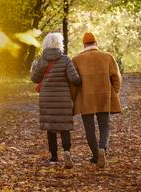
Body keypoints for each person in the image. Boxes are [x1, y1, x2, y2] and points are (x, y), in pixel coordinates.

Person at [71, 32, 122, 168]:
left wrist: (73, 97)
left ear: (84, 44)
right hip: (104, 96)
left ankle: (95, 155)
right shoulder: (107, 57)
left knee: (89, 129)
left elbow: (73, 82)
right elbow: (116, 77)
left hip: (85, 98)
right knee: (104, 125)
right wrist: (114, 92)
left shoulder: (76, 60)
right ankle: (102, 149)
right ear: (96, 43)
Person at [31, 32, 81, 169]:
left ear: (46, 44)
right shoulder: (65, 60)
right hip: (63, 98)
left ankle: (53, 156)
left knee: (51, 127)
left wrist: (33, 68)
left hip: (46, 99)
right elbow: (75, 79)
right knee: (64, 126)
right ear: (60, 44)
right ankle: (67, 151)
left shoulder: (42, 60)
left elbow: (35, 79)